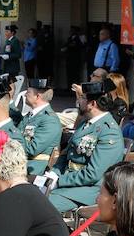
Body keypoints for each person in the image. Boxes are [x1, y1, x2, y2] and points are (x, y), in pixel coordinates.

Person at [47, 81, 126, 212]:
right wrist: (53, 173)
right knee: (31, 194)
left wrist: (60, 180)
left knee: (42, 205)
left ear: (92, 104)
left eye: (83, 98)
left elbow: (93, 174)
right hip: (70, 183)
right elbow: (66, 155)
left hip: (90, 190)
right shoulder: (86, 123)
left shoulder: (109, 131)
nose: (79, 101)